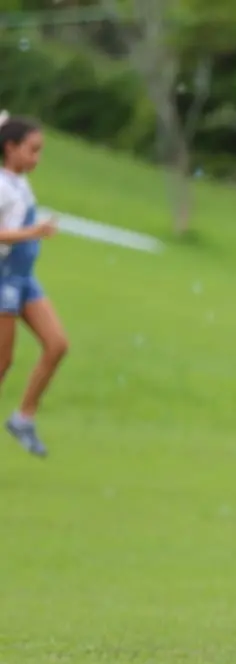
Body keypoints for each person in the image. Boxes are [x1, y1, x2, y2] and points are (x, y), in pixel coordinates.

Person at [0, 114, 65, 458]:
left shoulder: (19, 182)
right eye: (32, 150)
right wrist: (33, 232)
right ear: (10, 148)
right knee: (2, 362)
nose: (37, 158)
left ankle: (23, 418)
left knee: (57, 344)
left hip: (24, 279)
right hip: (3, 278)